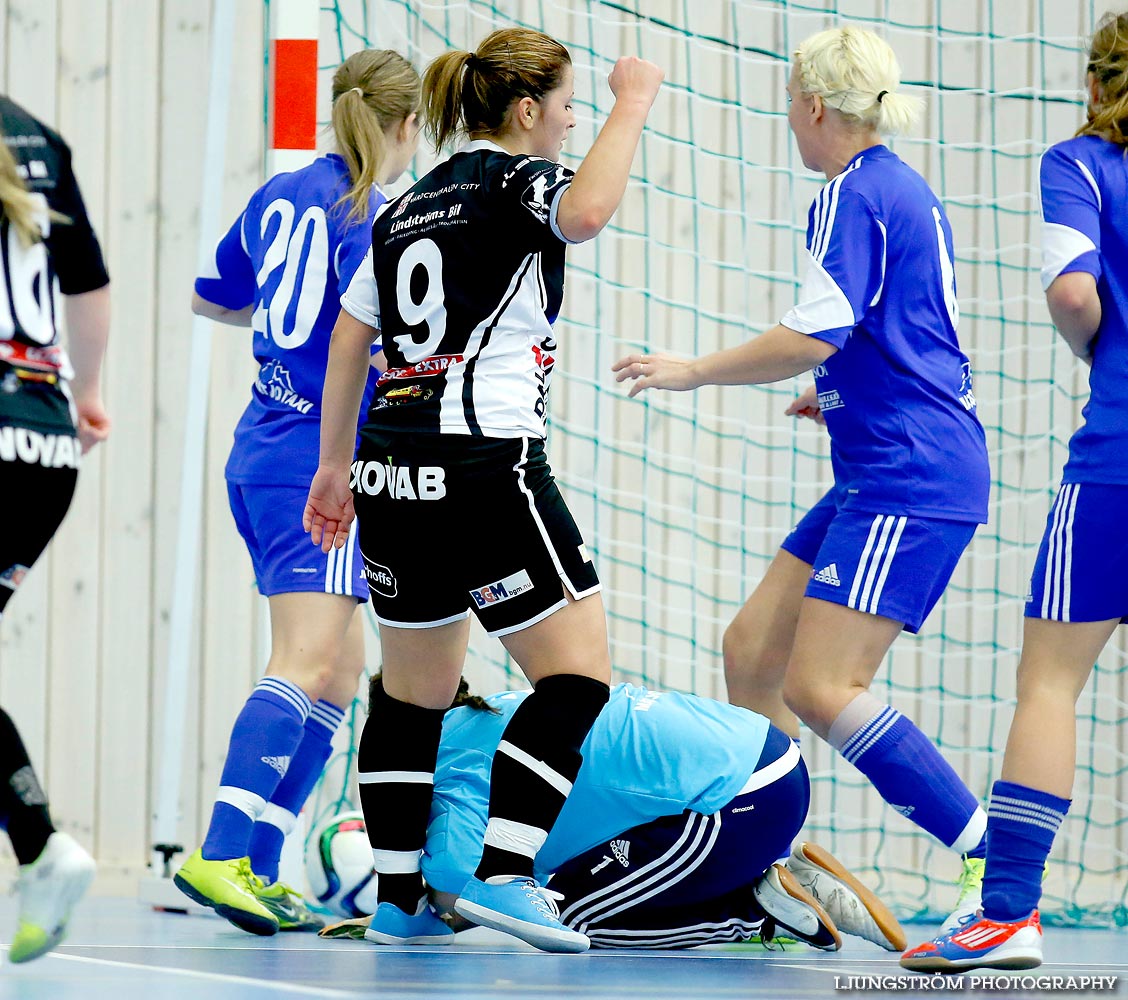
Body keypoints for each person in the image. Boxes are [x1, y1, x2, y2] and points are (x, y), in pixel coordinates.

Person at [613, 26, 992, 924]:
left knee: (822, 687)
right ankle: (775, 874)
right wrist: (839, 393)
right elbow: (900, 327)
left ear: (816, 105)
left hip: (909, 471)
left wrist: (694, 368)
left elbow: (819, 330)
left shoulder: (850, 195)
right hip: (882, 458)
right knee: (753, 651)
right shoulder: (902, 189)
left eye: (791, 103)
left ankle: (995, 864)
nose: (788, 119)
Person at [303, 27, 663, 953]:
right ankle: (506, 873)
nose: (575, 121)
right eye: (571, 107)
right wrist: (632, 104)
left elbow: (352, 340)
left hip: (390, 465)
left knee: (412, 695)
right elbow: (584, 213)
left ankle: (395, 899)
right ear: (529, 111)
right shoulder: (515, 181)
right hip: (483, 465)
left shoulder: (407, 205)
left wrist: (333, 467)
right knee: (578, 678)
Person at [172, 49, 422, 936]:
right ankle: (219, 849)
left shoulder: (281, 194)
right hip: (319, 464)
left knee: (339, 669)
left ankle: (264, 864)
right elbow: (389, 351)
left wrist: (291, 329)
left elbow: (213, 297)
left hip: (261, 445)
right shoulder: (382, 218)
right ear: (407, 126)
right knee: (305, 661)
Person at [901, 12, 1128, 973]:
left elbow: (1074, 294)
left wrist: (1096, 349)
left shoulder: (1081, 163)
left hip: (1119, 455)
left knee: (1049, 684)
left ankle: (1007, 913)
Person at [379, 678, 907, 952]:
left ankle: (755, 910)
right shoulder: (488, 709)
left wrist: (409, 892)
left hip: (735, 801)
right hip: (766, 762)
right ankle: (786, 880)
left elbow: (460, 890)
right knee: (570, 884)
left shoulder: (445, 767)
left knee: (557, 915)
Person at [0, 94, 111, 961]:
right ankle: (40, 845)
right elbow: (89, 283)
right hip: (42, 443)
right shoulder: (36, 135)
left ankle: (41, 842)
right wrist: (88, 397)